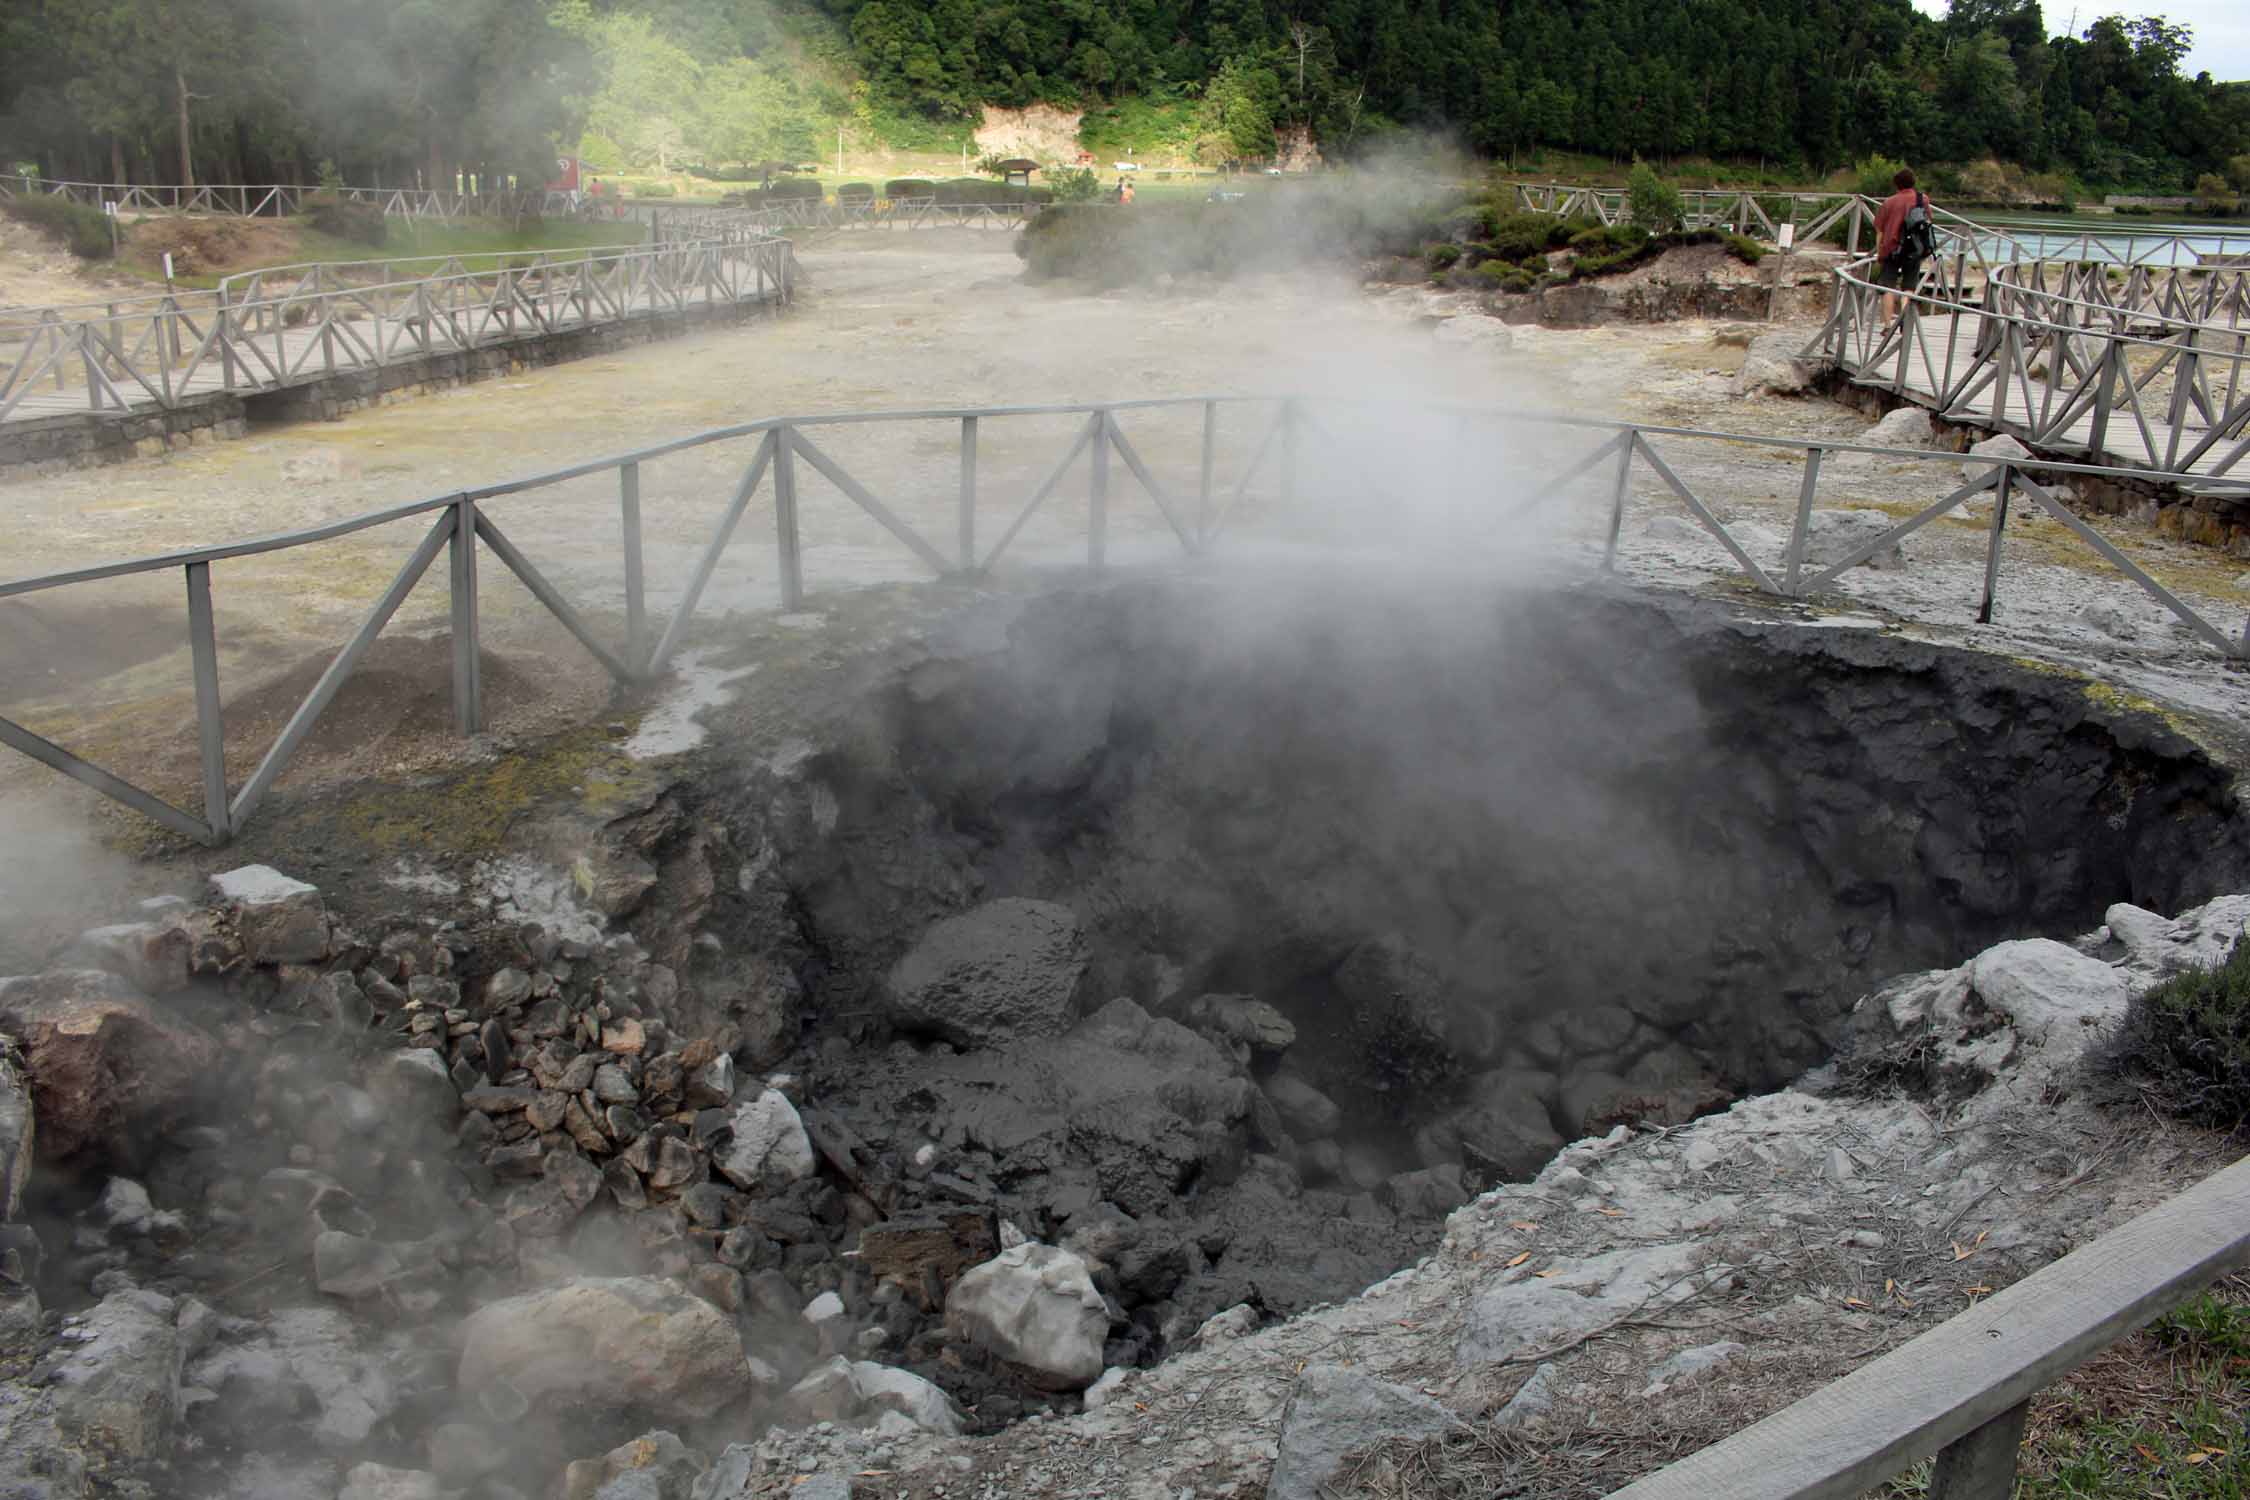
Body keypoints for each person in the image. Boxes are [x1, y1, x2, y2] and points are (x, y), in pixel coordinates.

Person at [1873, 168, 1932, 322]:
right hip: (1914, 248)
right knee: (1909, 288)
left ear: (1896, 184)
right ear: (1913, 183)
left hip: (1891, 249)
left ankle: (1887, 326)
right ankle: (1904, 321)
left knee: (1887, 287)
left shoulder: (1889, 202)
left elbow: (1879, 230)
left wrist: (1879, 251)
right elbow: (1928, 223)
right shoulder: (1922, 199)